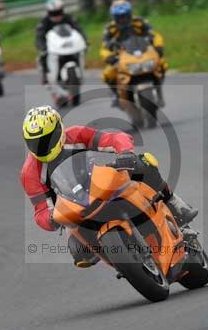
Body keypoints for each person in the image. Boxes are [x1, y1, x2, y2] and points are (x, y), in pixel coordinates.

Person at [20, 106, 198, 268]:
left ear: (59, 129)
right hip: (71, 206)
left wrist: (125, 153)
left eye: (46, 140)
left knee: (142, 162)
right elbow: (40, 209)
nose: (41, 147)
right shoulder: (30, 172)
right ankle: (125, 260)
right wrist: (51, 218)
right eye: (35, 143)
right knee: (80, 253)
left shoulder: (75, 134)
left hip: (98, 180)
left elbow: (113, 138)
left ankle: (173, 202)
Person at [100, 0, 167, 108]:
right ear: (114, 17)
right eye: (119, 17)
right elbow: (104, 46)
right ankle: (116, 95)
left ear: (130, 14)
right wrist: (109, 57)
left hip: (143, 52)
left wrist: (158, 46)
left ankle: (159, 91)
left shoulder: (140, 22)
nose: (123, 20)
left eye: (125, 16)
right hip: (122, 57)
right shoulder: (110, 28)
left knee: (162, 64)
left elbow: (154, 35)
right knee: (108, 74)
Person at [35, 0, 87, 85]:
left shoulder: (69, 18)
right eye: (53, 13)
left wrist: (85, 41)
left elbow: (79, 30)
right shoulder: (44, 22)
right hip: (53, 48)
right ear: (48, 13)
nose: (56, 16)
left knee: (81, 53)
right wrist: (43, 47)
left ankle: (81, 73)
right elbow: (39, 36)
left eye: (58, 13)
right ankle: (45, 76)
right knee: (41, 57)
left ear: (62, 10)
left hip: (69, 45)